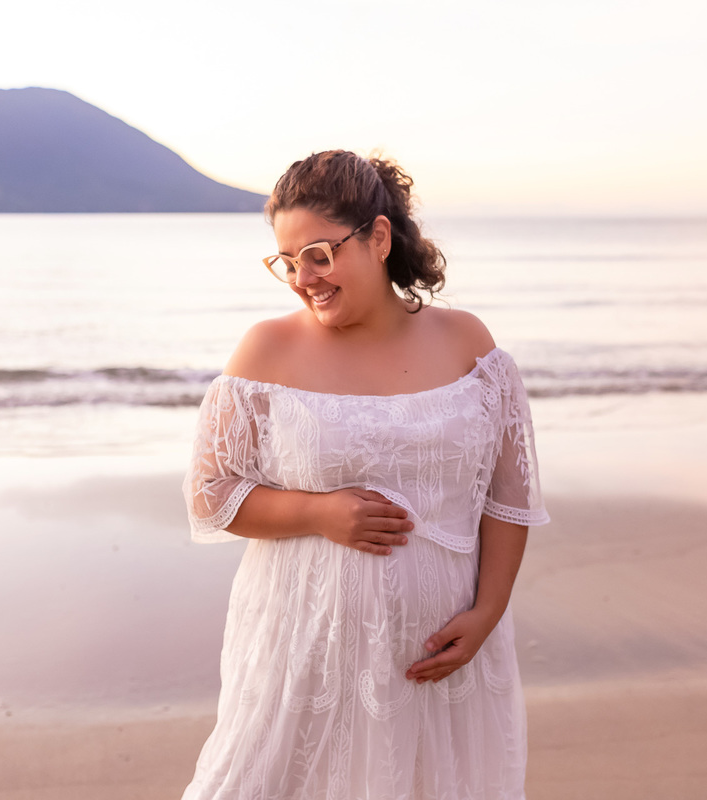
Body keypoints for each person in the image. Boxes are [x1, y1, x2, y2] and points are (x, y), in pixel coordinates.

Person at [181, 150, 549, 799]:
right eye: (287, 262)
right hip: (306, 649)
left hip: (443, 661)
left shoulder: (468, 343)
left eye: (319, 255)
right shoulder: (268, 349)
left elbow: (507, 495)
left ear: (378, 237)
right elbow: (212, 496)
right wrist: (318, 512)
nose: (303, 278)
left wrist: (488, 611)